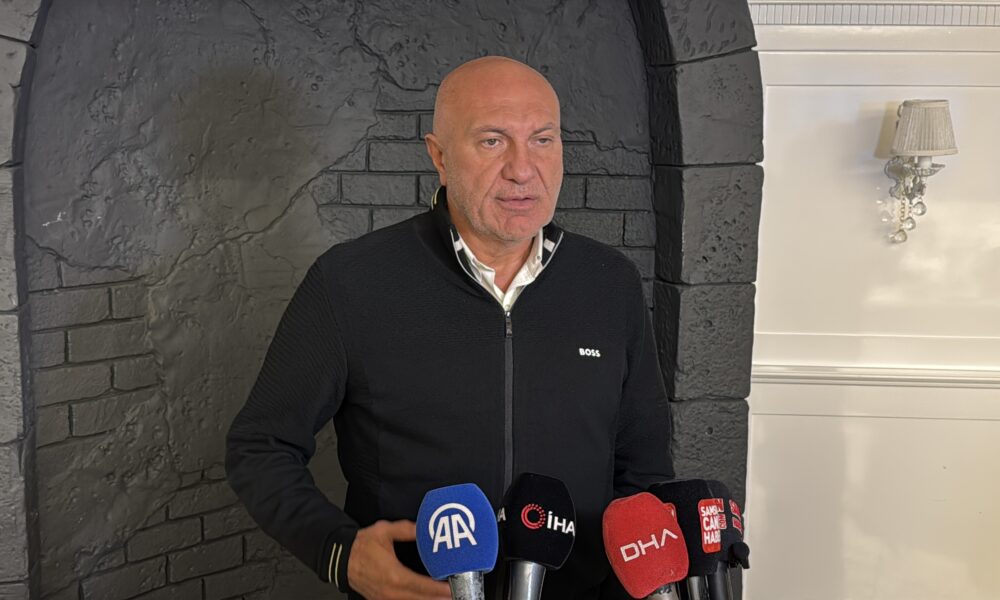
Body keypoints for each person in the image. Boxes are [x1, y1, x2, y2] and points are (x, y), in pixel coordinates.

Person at [226, 56, 673, 600]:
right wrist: (339, 553)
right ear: (439, 156)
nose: (522, 169)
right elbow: (260, 446)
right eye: (492, 141)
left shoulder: (610, 283)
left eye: (542, 140)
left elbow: (644, 469)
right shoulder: (350, 281)